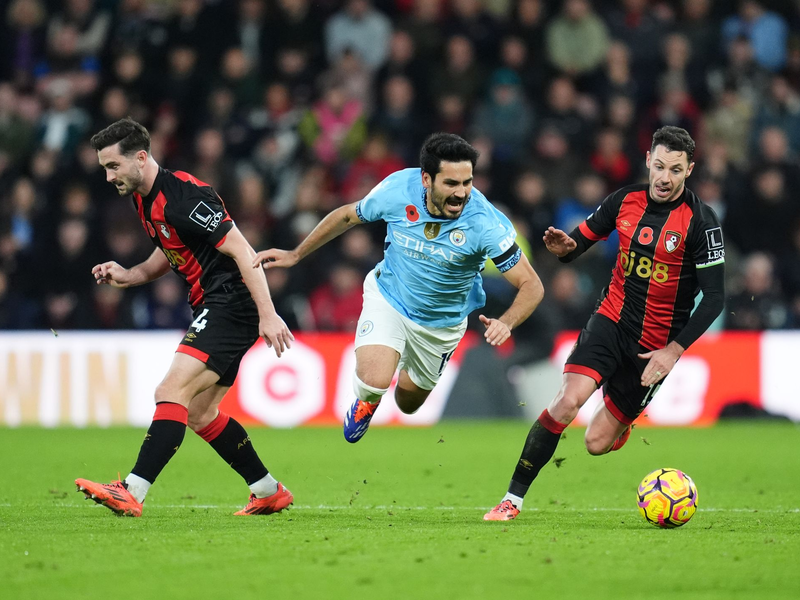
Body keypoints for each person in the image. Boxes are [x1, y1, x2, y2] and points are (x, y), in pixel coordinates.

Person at [484, 126, 726, 521]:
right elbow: (579, 241)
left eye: (676, 170)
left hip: (655, 346)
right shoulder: (625, 200)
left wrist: (673, 351)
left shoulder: (701, 222)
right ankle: (512, 500)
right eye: (660, 166)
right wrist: (565, 247)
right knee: (566, 402)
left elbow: (714, 298)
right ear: (648, 160)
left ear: (690, 170)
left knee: (596, 443)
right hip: (610, 321)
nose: (665, 178)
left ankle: (620, 424)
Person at [254, 133, 544, 442]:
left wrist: (507, 322)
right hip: (389, 298)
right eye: (451, 184)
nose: (461, 194)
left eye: (467, 183)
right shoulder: (396, 191)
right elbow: (346, 216)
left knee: (408, 404)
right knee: (374, 381)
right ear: (426, 179)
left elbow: (532, 285)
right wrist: (296, 253)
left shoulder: (485, 223)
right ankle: (367, 401)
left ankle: (396, 381)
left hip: (441, 325)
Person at [75, 118, 295, 517]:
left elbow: (244, 251)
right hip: (218, 304)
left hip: (231, 302)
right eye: (104, 168)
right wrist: (133, 273)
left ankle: (132, 491)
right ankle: (267, 491)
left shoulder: (184, 197)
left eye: (113, 166)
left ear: (140, 158)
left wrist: (269, 314)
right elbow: (171, 247)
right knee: (198, 412)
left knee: (170, 391)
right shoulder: (143, 196)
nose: (108, 177)